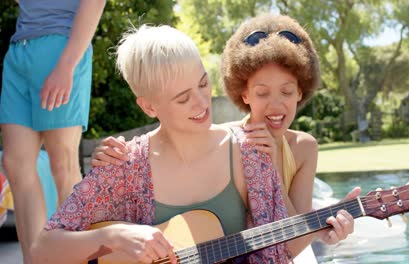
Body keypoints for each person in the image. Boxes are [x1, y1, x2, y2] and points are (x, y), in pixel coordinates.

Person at [33, 23, 357, 264]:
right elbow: (42, 251)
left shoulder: (249, 153)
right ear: (149, 107)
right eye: (183, 98)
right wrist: (114, 237)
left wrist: (319, 229)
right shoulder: (124, 165)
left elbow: (277, 251)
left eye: (203, 84)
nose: (202, 103)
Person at [0, 0, 106, 262]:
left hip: (62, 45)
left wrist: (67, 65)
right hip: (19, 49)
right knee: (15, 164)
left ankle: (74, 258)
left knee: (62, 163)